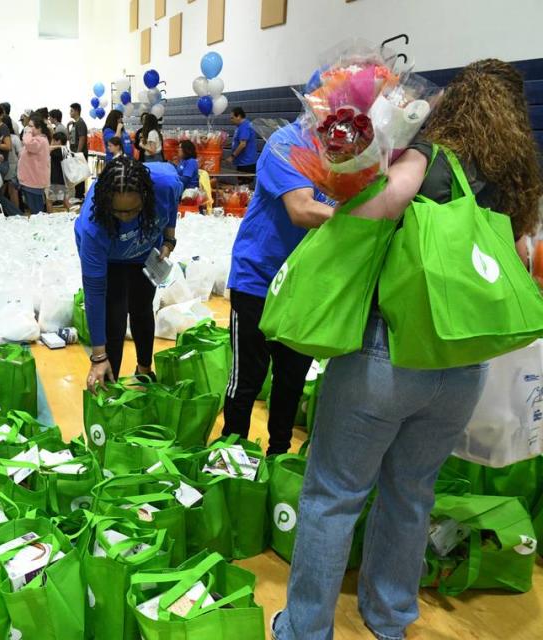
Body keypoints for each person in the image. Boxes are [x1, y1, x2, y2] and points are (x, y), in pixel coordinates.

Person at [272, 58, 543, 640]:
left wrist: (350, 197)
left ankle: (303, 629)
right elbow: (518, 262)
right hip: (461, 369)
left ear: (460, 102)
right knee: (412, 493)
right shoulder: (512, 186)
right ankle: (389, 617)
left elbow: (381, 207)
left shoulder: (432, 158)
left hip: (387, 356)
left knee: (334, 496)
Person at [223, 114, 335, 456]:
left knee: (291, 380)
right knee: (248, 379)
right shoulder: (287, 144)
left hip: (304, 286)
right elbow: (301, 209)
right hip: (259, 280)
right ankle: (231, 454)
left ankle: (278, 458)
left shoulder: (348, 155)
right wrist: (367, 217)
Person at [77, 157, 182, 388]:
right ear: (106, 204)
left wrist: (169, 238)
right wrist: (98, 357)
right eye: (119, 212)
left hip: (144, 251)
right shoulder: (93, 227)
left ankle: (144, 371)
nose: (126, 218)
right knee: (114, 316)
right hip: (111, 257)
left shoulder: (166, 184)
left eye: (133, 211)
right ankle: (109, 383)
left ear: (146, 196)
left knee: (142, 308)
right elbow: (94, 295)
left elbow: (171, 205)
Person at [18, 114, 52, 215]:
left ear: (39, 128)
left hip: (34, 182)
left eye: (31, 126)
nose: (29, 129)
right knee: (35, 210)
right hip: (30, 181)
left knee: (37, 212)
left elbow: (27, 143)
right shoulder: (37, 139)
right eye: (28, 126)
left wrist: (27, 131)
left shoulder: (39, 141)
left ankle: (40, 229)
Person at [229, 107, 258, 185]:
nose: (231, 120)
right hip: (242, 162)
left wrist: (232, 156)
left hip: (246, 163)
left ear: (238, 116)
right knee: (242, 186)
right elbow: (238, 142)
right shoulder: (240, 127)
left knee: (244, 187)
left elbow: (242, 144)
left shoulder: (245, 126)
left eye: (232, 118)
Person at [68, 103, 88, 200]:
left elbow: (82, 138)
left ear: (76, 111)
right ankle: (78, 195)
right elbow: (71, 138)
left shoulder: (80, 123)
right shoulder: (75, 123)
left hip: (79, 153)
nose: (70, 113)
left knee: (80, 175)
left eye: (71, 110)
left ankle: (80, 195)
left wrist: (78, 153)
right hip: (74, 151)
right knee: (77, 174)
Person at [49, 131, 71, 211]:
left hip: (55, 178)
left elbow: (47, 150)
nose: (52, 142)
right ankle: (74, 215)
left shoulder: (55, 152)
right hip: (63, 178)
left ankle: (49, 217)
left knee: (49, 200)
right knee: (65, 200)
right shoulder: (65, 150)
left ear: (58, 141)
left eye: (53, 140)